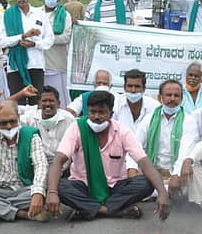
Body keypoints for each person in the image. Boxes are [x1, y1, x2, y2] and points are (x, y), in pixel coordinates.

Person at [46, 90, 171, 221]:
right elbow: (58, 161)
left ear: (111, 113)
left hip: (115, 187)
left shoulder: (123, 132)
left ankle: (89, 209)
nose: (96, 116)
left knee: (147, 183)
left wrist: (162, 193)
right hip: (83, 186)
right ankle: (111, 210)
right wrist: (52, 192)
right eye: (92, 112)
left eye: (102, 112)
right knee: (58, 185)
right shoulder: (76, 128)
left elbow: (144, 163)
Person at [0, 0, 54, 105]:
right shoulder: (7, 15)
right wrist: (22, 36)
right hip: (15, 67)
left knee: (37, 104)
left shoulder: (40, 14)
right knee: (17, 105)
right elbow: (1, 41)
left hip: (36, 65)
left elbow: (50, 40)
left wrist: (34, 44)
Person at [136, 79, 186, 181]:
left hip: (178, 175)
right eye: (168, 95)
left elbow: (186, 154)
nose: (172, 99)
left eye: (176, 95)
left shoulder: (188, 121)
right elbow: (136, 146)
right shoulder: (149, 119)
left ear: (182, 99)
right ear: (160, 98)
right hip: (151, 173)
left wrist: (175, 175)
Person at [19, 85, 76, 164]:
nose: (48, 104)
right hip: (36, 164)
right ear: (39, 104)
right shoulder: (29, 118)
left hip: (63, 165)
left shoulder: (69, 119)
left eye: (51, 101)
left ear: (58, 103)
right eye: (44, 101)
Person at [42, 0, 73, 107]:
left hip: (57, 64)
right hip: (39, 65)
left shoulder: (64, 15)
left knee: (59, 100)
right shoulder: (36, 13)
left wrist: (44, 40)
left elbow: (65, 37)